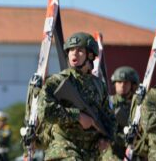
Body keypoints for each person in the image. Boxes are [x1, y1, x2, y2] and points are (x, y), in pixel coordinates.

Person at [36, 32, 116, 160]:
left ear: (90, 55)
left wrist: (105, 138)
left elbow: (109, 118)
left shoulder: (99, 86)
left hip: (91, 152)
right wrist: (77, 115)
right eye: (71, 50)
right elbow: (44, 111)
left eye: (79, 50)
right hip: (64, 148)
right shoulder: (57, 81)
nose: (74, 53)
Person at [110, 66, 139, 159]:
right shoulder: (108, 102)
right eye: (119, 82)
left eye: (126, 82)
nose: (122, 85)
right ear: (114, 84)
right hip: (114, 146)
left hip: (135, 147)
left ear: (132, 85)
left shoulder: (139, 104)